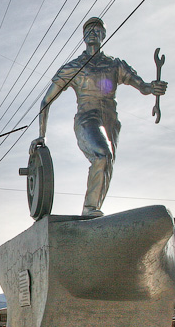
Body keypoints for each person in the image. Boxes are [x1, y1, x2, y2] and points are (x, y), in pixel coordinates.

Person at [35, 17, 167, 217]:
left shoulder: (115, 65)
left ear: (104, 35)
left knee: (107, 165)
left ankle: (93, 209)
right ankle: (90, 207)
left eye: (98, 30)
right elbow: (46, 101)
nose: (93, 33)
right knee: (101, 155)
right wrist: (42, 135)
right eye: (89, 30)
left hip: (110, 120)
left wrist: (152, 87)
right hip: (87, 117)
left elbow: (142, 86)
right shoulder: (75, 66)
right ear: (83, 37)